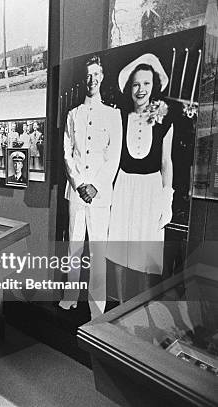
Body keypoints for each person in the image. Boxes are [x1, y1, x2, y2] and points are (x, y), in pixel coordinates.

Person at [107, 53, 174, 299]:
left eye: (146, 83)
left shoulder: (164, 120)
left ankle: (142, 307)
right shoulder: (120, 118)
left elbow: (167, 162)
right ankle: (121, 305)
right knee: (120, 248)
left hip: (151, 189)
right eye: (136, 84)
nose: (140, 89)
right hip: (124, 186)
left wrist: (167, 200)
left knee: (145, 251)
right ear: (129, 88)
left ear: (154, 85)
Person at [60, 55, 122, 318]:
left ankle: (98, 308)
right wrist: (79, 183)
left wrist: (94, 186)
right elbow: (67, 153)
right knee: (74, 246)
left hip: (99, 194)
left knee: (97, 249)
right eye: (88, 75)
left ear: (102, 76)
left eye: (96, 75)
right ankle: (69, 297)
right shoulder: (73, 114)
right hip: (76, 193)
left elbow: (114, 155)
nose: (91, 80)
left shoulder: (113, 114)